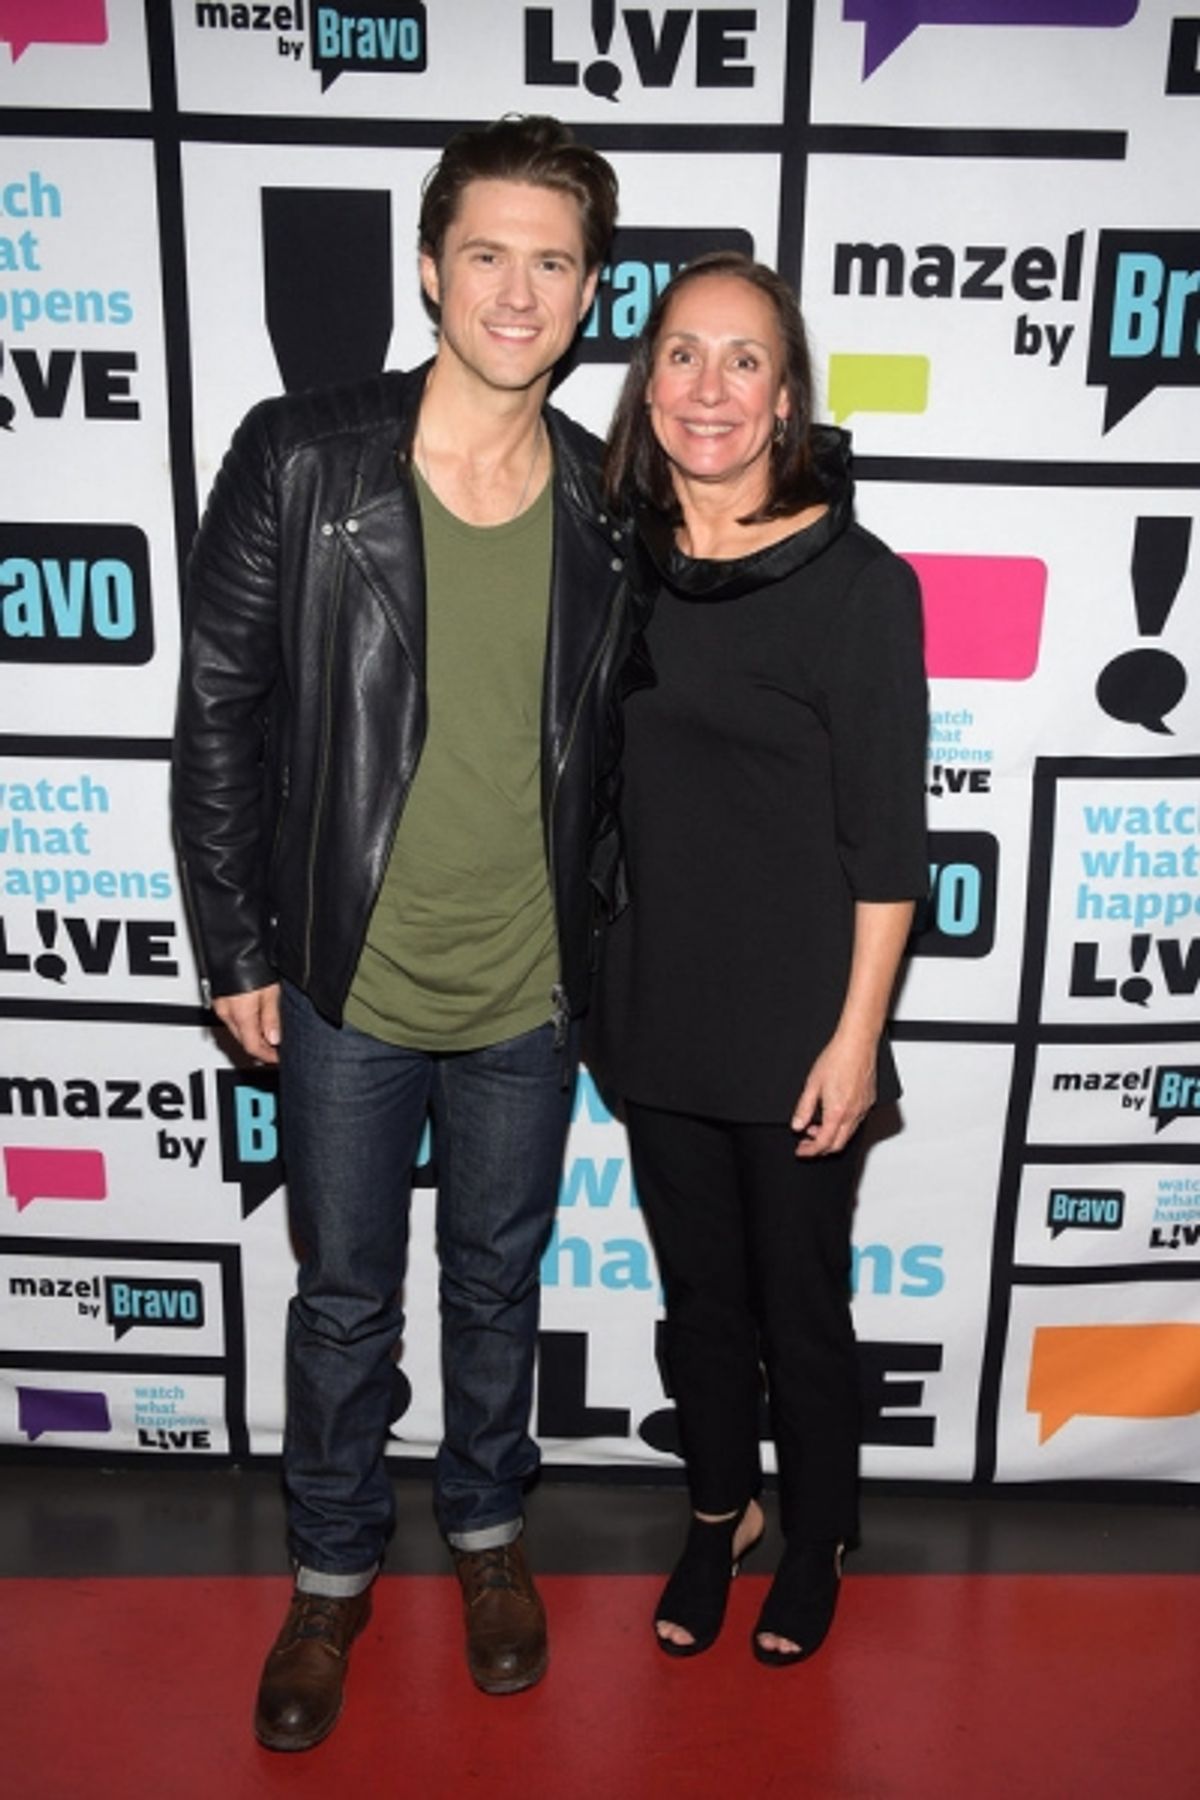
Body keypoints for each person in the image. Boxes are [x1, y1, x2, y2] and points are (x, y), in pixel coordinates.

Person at [172, 116, 626, 1749]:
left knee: (497, 1284)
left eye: (554, 260)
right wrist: (233, 944)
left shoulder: (603, 496)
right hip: (346, 972)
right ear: (431, 269)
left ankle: (492, 1543)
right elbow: (219, 705)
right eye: (488, 252)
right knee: (347, 1296)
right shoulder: (303, 452)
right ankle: (330, 1577)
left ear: (589, 293)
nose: (519, 288)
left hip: (527, 990)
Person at [588, 252, 927, 1667]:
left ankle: (820, 1528)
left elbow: (889, 842)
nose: (708, 388)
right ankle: (716, 1505)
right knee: (700, 1298)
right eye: (681, 354)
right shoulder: (613, 563)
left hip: (801, 1026)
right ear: (646, 378)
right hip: (654, 1005)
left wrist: (855, 1040)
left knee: (802, 1301)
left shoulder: (860, 584)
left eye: (743, 360)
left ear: (787, 396)